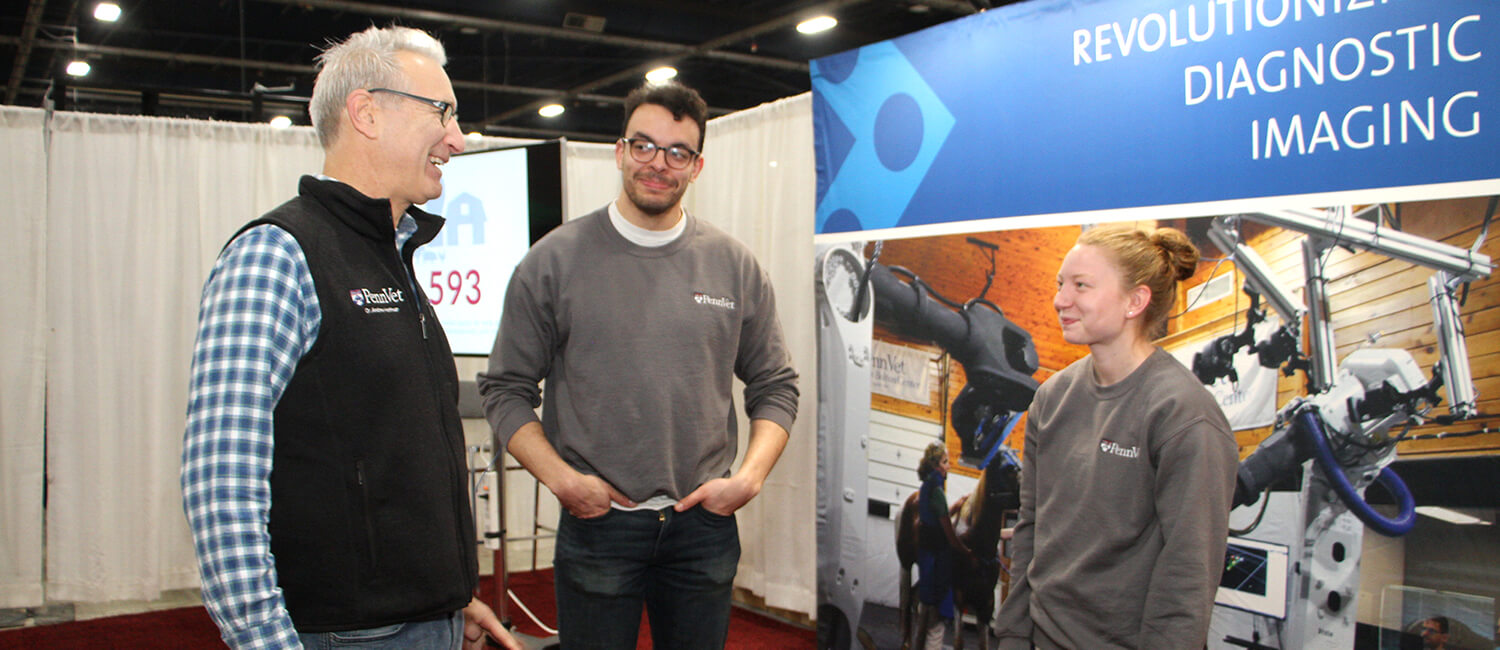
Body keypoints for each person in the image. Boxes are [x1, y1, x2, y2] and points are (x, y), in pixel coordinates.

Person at [181, 25, 519, 650]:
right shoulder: (277, 255)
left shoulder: (392, 253)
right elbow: (220, 482)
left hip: (425, 622)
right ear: (366, 112)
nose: (458, 137)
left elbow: (397, 454)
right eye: (442, 111)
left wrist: (450, 597)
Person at [477, 80, 799, 649]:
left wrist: (748, 480)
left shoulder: (734, 266)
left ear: (696, 167)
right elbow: (505, 389)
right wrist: (562, 481)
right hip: (599, 525)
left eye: (678, 152)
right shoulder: (553, 262)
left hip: (704, 526)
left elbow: (775, 384)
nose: (659, 164)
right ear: (620, 151)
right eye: (644, 145)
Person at [992, 224, 1237, 649]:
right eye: (1060, 284)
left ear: (1135, 301)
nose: (1060, 300)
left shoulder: (1184, 416)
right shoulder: (1050, 399)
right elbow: (1031, 528)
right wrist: (1012, 635)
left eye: (1081, 286)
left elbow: (1188, 576)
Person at [913, 443, 974, 650]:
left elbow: (936, 517)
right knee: (936, 627)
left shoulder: (926, 487)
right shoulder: (937, 491)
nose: (949, 466)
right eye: (945, 462)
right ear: (935, 465)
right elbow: (948, 533)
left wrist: (955, 506)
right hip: (938, 565)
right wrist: (966, 552)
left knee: (924, 618)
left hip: (926, 558)